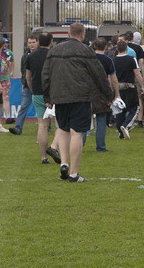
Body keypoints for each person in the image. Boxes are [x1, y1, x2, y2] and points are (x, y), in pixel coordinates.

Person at [41, 22, 113, 183]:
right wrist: (108, 94)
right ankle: (74, 173)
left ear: (68, 33)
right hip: (80, 96)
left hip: (59, 97)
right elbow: (98, 73)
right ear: (82, 34)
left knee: (64, 130)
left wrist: (47, 97)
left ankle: (64, 163)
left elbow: (45, 74)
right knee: (77, 133)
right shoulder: (85, 50)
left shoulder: (54, 50)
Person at [26, 33, 60, 163]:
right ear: (51, 41)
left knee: (42, 125)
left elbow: (28, 77)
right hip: (53, 94)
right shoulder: (54, 55)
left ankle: (43, 157)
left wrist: (32, 90)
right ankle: (55, 148)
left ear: (39, 42)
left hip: (37, 93)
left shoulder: (31, 56)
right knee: (61, 125)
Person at [92, 38, 119, 153]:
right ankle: (100, 146)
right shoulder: (108, 60)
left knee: (84, 119)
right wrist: (116, 94)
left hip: (87, 91)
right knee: (101, 119)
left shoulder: (89, 59)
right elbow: (113, 79)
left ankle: (80, 143)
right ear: (106, 47)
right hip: (102, 92)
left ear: (93, 46)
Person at [112, 40, 143, 139]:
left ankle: (121, 132)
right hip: (129, 87)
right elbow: (137, 74)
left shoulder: (113, 60)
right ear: (126, 48)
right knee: (135, 108)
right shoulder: (131, 59)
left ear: (117, 49)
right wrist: (142, 86)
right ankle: (126, 125)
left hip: (118, 88)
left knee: (120, 110)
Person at [10, 35, 38, 135]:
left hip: (39, 86)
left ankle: (46, 127)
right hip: (27, 85)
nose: (32, 44)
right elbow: (23, 71)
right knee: (23, 107)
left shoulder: (42, 54)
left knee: (43, 108)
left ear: (37, 42)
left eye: (33, 42)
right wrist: (24, 82)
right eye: (30, 43)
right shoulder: (25, 56)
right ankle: (18, 128)